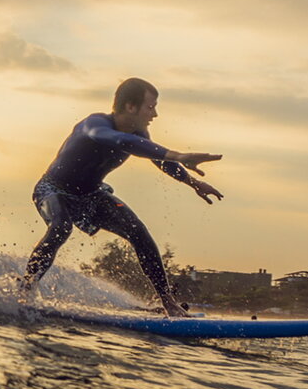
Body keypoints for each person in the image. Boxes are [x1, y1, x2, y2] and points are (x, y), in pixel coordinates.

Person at [20, 77, 223, 317]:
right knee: (61, 227)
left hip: (92, 195)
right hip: (53, 190)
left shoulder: (139, 133)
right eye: (150, 106)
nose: (155, 114)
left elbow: (158, 160)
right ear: (130, 106)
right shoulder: (95, 124)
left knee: (139, 233)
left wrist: (193, 182)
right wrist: (177, 154)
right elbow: (120, 140)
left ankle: (168, 302)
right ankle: (26, 290)